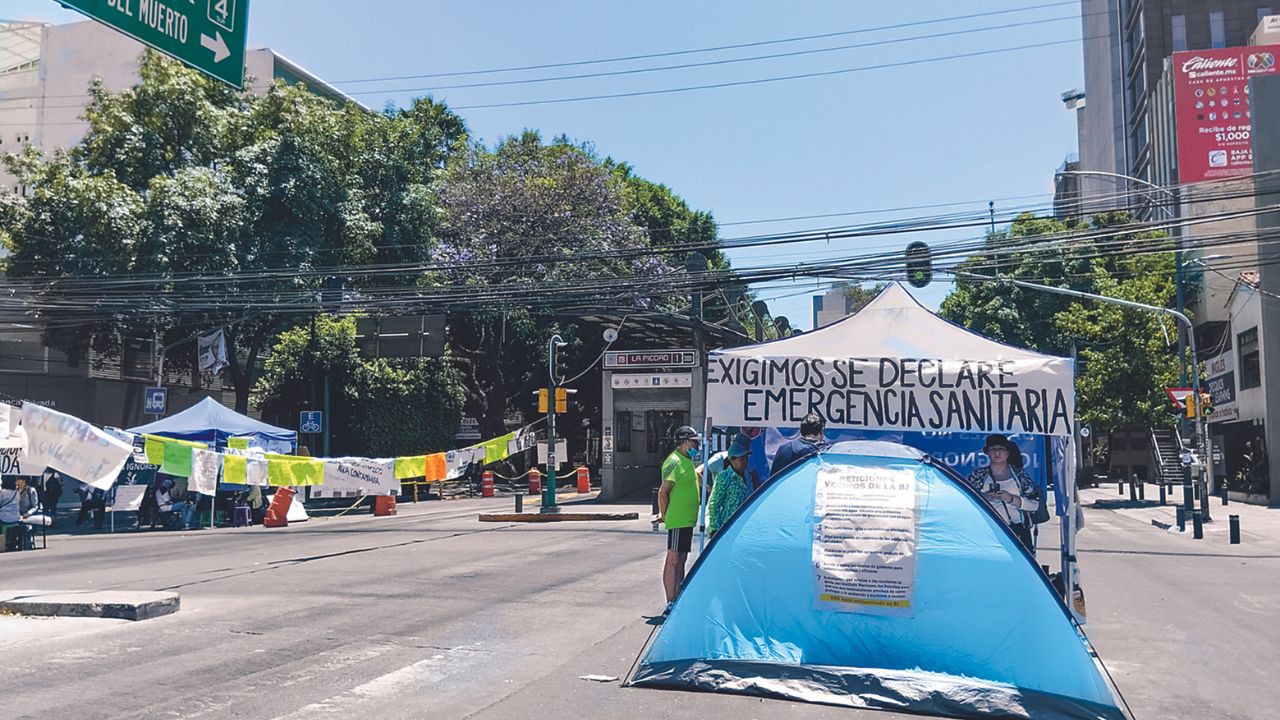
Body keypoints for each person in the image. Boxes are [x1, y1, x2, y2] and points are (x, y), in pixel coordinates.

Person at [964, 434, 1041, 551]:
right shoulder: (978, 476)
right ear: (987, 452)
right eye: (993, 449)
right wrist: (982, 498)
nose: (997, 453)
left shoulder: (1020, 476)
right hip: (987, 531)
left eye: (1001, 449)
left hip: (1017, 531)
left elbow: (1035, 505)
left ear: (1007, 453)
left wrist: (1011, 499)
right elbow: (965, 502)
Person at [655, 425, 702, 612]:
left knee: (682, 558)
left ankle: (678, 596)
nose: (696, 446)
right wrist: (664, 514)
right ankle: (670, 601)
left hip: (687, 519)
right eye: (694, 442)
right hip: (678, 518)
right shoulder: (673, 461)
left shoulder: (686, 460)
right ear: (684, 442)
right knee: (673, 559)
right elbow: (663, 492)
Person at [707, 434, 752, 537]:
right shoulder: (724, 476)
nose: (745, 462)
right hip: (727, 527)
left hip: (744, 527)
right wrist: (715, 529)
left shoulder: (748, 476)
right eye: (741, 459)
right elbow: (714, 504)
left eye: (746, 458)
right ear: (732, 460)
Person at [769, 413, 829, 479]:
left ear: (801, 430)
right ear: (821, 432)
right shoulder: (827, 452)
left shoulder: (784, 448)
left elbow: (773, 480)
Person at [15, 476, 41, 549]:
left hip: (27, 515)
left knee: (26, 528)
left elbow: (35, 506)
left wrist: (28, 513)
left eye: (18, 479)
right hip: (16, 514)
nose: (16, 481)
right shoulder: (15, 490)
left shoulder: (31, 490)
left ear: (23, 480)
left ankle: (27, 544)